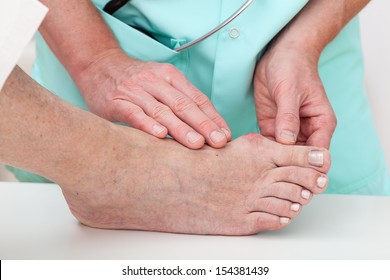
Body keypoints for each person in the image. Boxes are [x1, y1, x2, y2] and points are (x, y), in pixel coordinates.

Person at [0, 0, 330, 235]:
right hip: (82, 33)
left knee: (345, 230)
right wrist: (94, 58)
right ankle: (110, 167)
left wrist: (302, 44)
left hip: (304, 26)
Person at [19, 0, 388, 195]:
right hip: (89, 47)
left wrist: (302, 44)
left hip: (307, 42)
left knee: (338, 237)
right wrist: (95, 60)